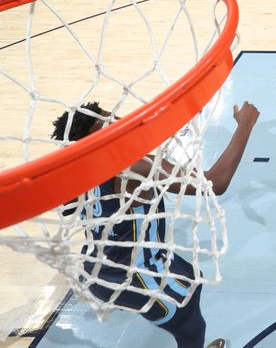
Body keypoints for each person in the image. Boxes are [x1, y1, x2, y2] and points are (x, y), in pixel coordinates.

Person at [51, 100, 260, 348]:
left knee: (192, 278)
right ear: (98, 132)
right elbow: (216, 182)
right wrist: (245, 126)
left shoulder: (81, 168)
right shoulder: (136, 168)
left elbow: (68, 207)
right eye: (110, 120)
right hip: (131, 276)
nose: (118, 120)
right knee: (191, 322)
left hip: (98, 267)